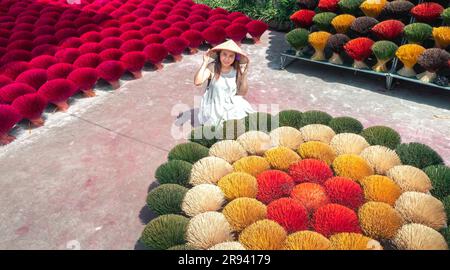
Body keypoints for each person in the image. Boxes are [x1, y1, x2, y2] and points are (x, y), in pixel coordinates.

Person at [194, 40, 255, 127]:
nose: (227, 59)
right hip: (214, 105)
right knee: (221, 128)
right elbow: (197, 82)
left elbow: (242, 93)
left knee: (244, 120)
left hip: (231, 104)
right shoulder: (213, 67)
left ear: (235, 58)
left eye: (231, 56)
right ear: (219, 54)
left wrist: (244, 75)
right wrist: (204, 63)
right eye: (224, 54)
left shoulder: (236, 70)